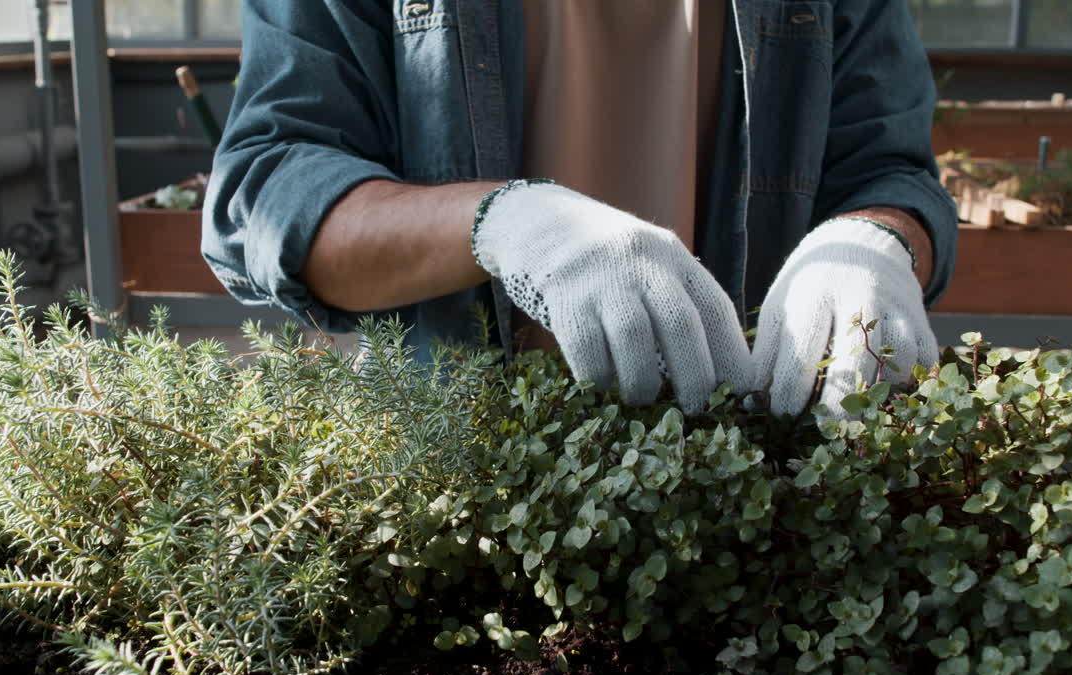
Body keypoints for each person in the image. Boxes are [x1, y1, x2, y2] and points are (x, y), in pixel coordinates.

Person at [202, 1, 958, 418]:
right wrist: (503, 223)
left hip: (758, 482)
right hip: (461, 485)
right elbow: (266, 192)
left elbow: (886, 169)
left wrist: (870, 245)